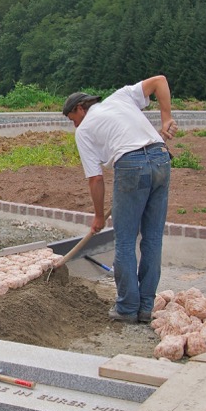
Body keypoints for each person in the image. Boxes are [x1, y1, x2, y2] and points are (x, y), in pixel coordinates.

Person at [60, 76, 177, 323]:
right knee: (153, 239)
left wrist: (99, 216)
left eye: (73, 120)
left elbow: (95, 179)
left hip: (132, 165)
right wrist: (166, 117)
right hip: (160, 157)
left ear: (80, 108)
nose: (75, 126)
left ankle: (127, 308)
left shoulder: (84, 132)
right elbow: (160, 81)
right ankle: (146, 308)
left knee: (124, 241)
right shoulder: (121, 97)